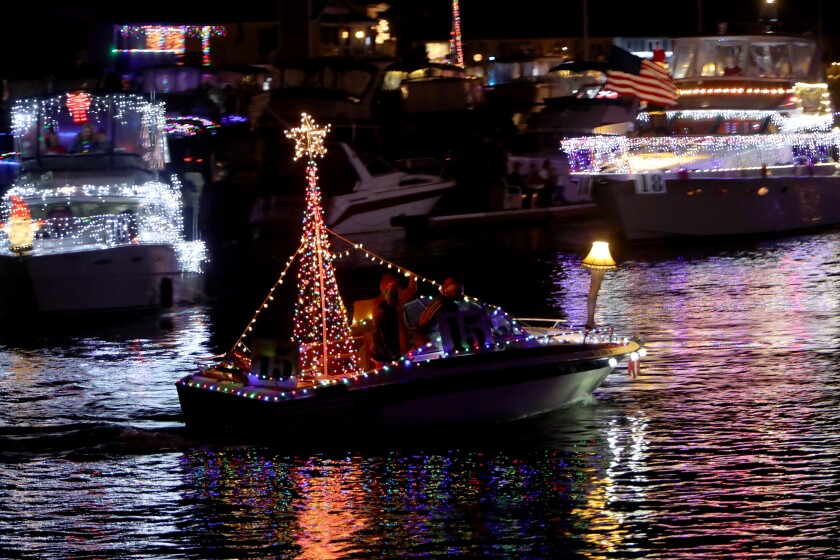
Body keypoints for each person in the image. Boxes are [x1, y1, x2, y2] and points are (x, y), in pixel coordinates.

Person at [369, 272, 417, 364]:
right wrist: (412, 275)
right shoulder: (396, 299)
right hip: (393, 345)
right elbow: (412, 289)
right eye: (397, 283)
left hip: (380, 347)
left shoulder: (376, 302)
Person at [415, 277, 465, 346]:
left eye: (461, 291)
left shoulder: (438, 299)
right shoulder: (449, 304)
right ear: (449, 290)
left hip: (424, 334)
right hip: (434, 337)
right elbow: (454, 325)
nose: (460, 294)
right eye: (457, 291)